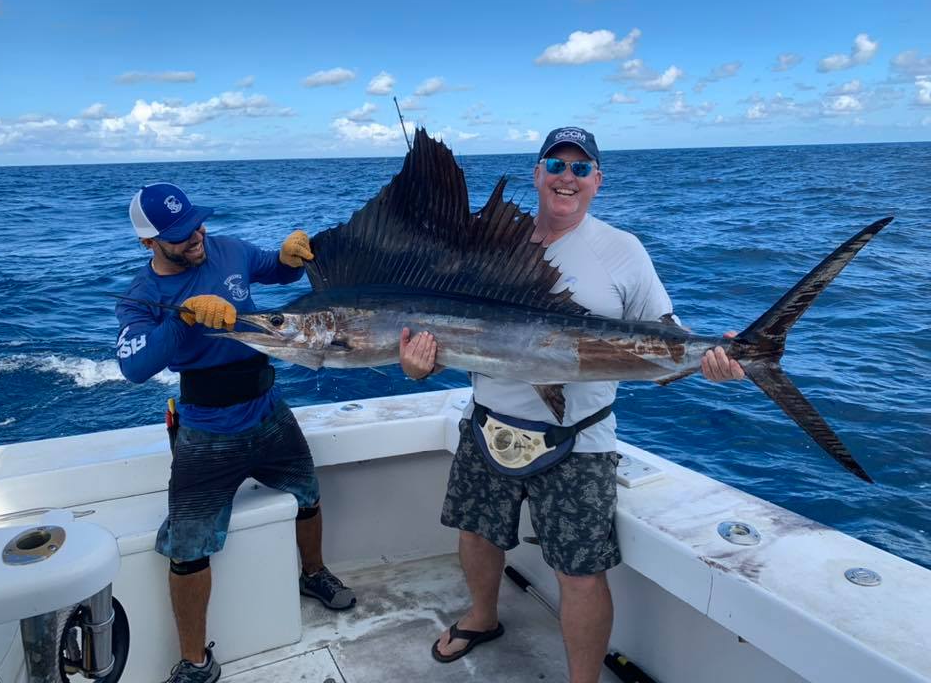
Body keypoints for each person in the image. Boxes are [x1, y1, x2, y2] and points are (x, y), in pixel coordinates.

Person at [399, 127, 744, 683]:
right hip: (487, 425)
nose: (568, 177)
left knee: (580, 572)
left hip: (579, 439)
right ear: (537, 174)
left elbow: (667, 332)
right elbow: (451, 340)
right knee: (476, 535)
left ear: (597, 182)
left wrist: (710, 357)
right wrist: (421, 366)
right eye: (556, 164)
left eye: (581, 169)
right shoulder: (485, 248)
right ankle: (483, 618)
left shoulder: (623, 250)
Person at [115, 183, 356, 683]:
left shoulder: (229, 249)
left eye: (196, 224)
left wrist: (291, 257)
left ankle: (313, 574)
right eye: (180, 235)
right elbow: (135, 366)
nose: (196, 236)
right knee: (187, 547)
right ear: (148, 243)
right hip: (206, 431)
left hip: (268, 410)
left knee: (308, 496)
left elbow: (275, 267)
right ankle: (196, 661)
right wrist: (182, 320)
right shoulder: (142, 296)